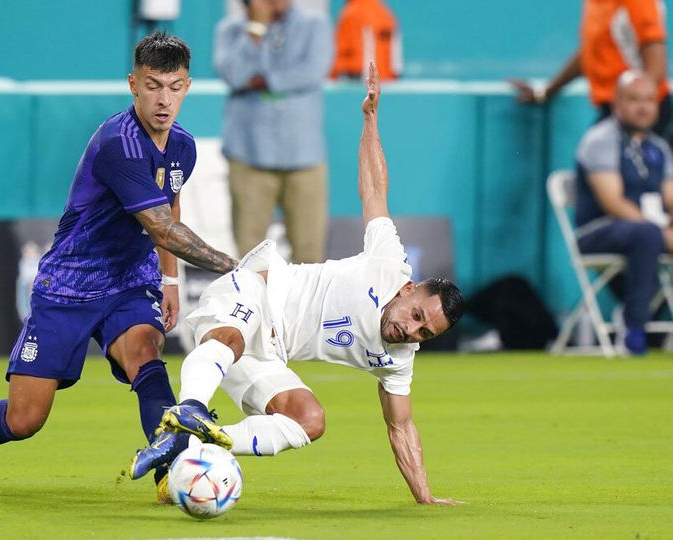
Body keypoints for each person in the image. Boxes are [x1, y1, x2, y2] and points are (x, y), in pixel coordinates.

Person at [130, 63, 466, 505]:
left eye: (425, 333)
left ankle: (191, 447)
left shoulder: (399, 358)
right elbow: (374, 189)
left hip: (269, 353)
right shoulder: (389, 262)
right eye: (417, 315)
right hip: (252, 291)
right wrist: (369, 119)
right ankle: (189, 410)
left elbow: (401, 426)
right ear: (408, 290)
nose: (411, 330)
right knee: (233, 334)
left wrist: (425, 497)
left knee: (310, 419)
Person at [0, 32, 239, 501]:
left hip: (128, 281)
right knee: (25, 419)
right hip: (69, 286)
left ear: (188, 87)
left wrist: (169, 276)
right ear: (132, 84)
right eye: (153, 86)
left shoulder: (184, 147)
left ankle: (172, 467)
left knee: (146, 353)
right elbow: (160, 227)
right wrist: (233, 268)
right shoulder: (118, 143)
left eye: (174, 87)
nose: (164, 100)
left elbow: (170, 206)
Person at [214, 0, 333, 263]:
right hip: (249, 154)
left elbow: (313, 71)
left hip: (304, 156)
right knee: (248, 256)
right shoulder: (230, 29)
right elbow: (234, 74)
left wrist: (264, 80)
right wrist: (256, 29)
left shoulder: (315, 24)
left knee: (310, 255)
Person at [575, 70, 673, 355]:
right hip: (598, 231)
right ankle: (633, 327)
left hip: (649, 232)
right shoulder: (601, 140)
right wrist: (663, 233)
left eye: (649, 100)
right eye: (634, 100)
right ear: (616, 103)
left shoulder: (659, 148)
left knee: (649, 234)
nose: (643, 107)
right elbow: (613, 202)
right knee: (647, 234)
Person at [511, 0, 673, 145]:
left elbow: (656, 68)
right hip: (617, 112)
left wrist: (638, 114)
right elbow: (590, 54)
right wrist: (547, 91)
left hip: (644, 117)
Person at [330, 0, 403, 81]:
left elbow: (339, 52)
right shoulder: (386, 13)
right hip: (385, 82)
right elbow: (395, 62)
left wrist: (331, 75)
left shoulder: (351, 13)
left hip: (358, 81)